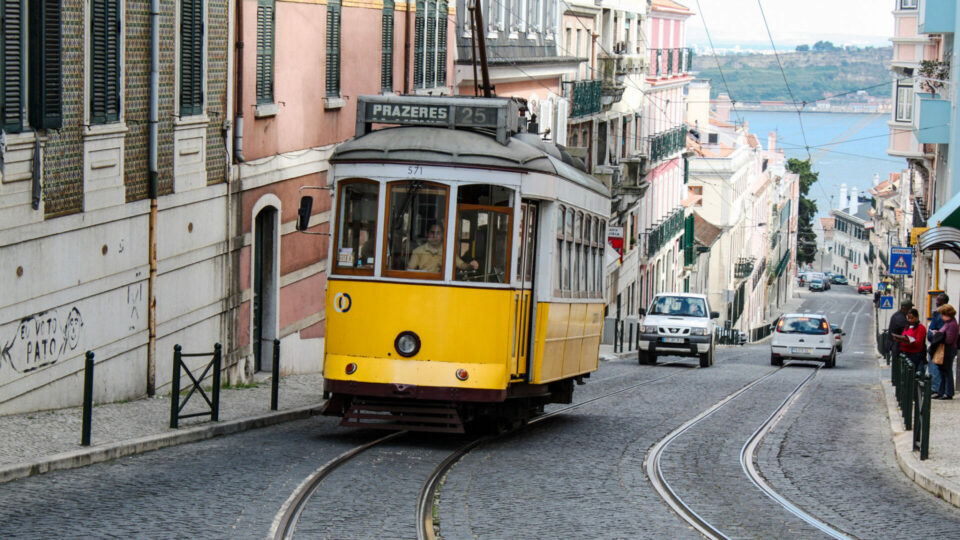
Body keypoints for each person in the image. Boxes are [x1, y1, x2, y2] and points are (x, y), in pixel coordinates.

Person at [407, 223, 479, 273]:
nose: (435, 236)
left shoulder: (448, 251)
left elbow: (461, 265)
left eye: (438, 233)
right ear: (427, 233)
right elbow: (410, 271)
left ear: (442, 235)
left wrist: (471, 265)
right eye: (432, 232)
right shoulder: (418, 251)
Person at [933, 304, 958, 400]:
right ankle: (941, 391)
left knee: (947, 371)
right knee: (943, 371)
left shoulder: (952, 324)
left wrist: (939, 335)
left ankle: (948, 392)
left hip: (948, 350)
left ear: (947, 314)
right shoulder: (948, 323)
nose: (941, 317)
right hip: (945, 349)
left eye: (942, 314)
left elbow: (949, 340)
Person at [926, 293, 949, 394]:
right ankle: (935, 387)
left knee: (935, 367)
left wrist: (934, 335)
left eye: (938, 300)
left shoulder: (941, 316)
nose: (936, 302)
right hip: (935, 343)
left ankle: (936, 388)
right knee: (933, 367)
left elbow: (941, 332)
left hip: (937, 345)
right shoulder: (938, 314)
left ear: (943, 302)